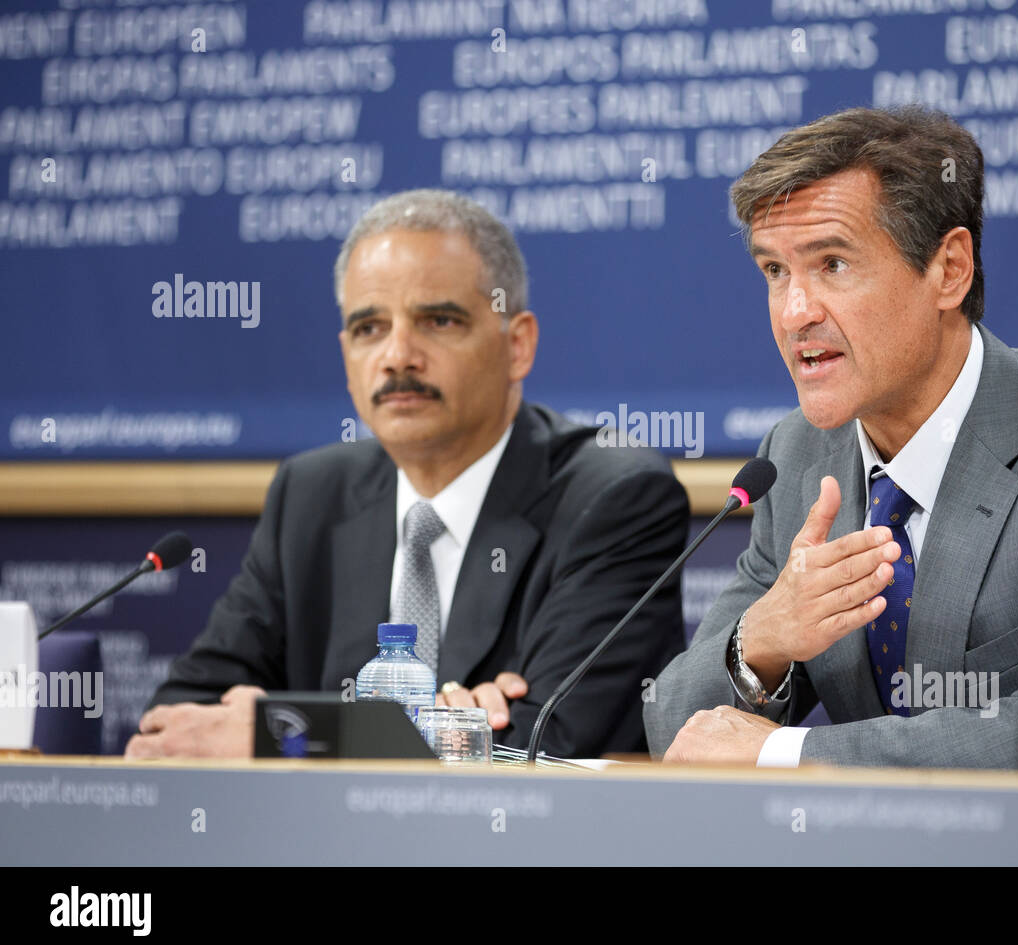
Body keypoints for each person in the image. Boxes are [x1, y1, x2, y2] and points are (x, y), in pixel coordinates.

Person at [644, 106, 1018, 772]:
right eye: (775, 272)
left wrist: (788, 750)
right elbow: (677, 729)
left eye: (834, 264)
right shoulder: (800, 458)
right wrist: (758, 643)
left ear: (950, 269)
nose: (795, 313)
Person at [127, 189, 689, 759]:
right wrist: (445, 730)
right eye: (369, 328)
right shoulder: (312, 495)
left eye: (438, 320)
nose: (398, 356)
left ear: (517, 346)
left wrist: (279, 734)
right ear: (346, 354)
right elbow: (179, 720)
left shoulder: (613, 497)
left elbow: (549, 747)